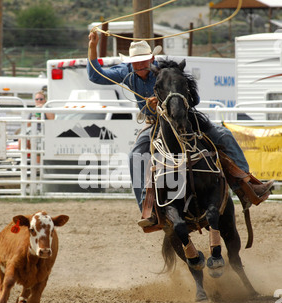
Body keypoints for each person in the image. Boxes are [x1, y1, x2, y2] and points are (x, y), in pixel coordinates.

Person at [87, 31, 274, 227]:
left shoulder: (166, 71)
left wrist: (161, 102)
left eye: (144, 60)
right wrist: (93, 46)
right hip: (156, 125)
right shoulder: (127, 73)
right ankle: (147, 208)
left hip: (184, 119)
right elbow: (95, 75)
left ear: (152, 58)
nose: (140, 65)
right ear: (131, 62)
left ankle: (247, 184)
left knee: (223, 134)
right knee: (135, 156)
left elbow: (195, 99)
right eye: (136, 62)